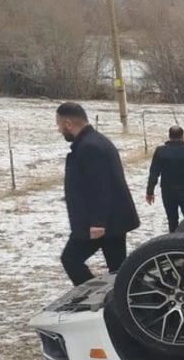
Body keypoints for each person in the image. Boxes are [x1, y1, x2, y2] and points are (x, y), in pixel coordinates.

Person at [56, 102, 140, 286]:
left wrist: (98, 223)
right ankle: (120, 301)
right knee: (118, 270)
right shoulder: (95, 141)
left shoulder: (89, 147)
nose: (60, 129)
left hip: (100, 223)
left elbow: (100, 186)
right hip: (113, 219)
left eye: (60, 125)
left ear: (68, 123)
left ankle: (95, 296)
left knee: (71, 259)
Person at [145, 126, 184, 232]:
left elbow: (153, 173)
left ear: (169, 136)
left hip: (168, 193)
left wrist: (149, 192)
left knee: (172, 220)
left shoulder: (160, 152)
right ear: (182, 136)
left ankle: (174, 242)